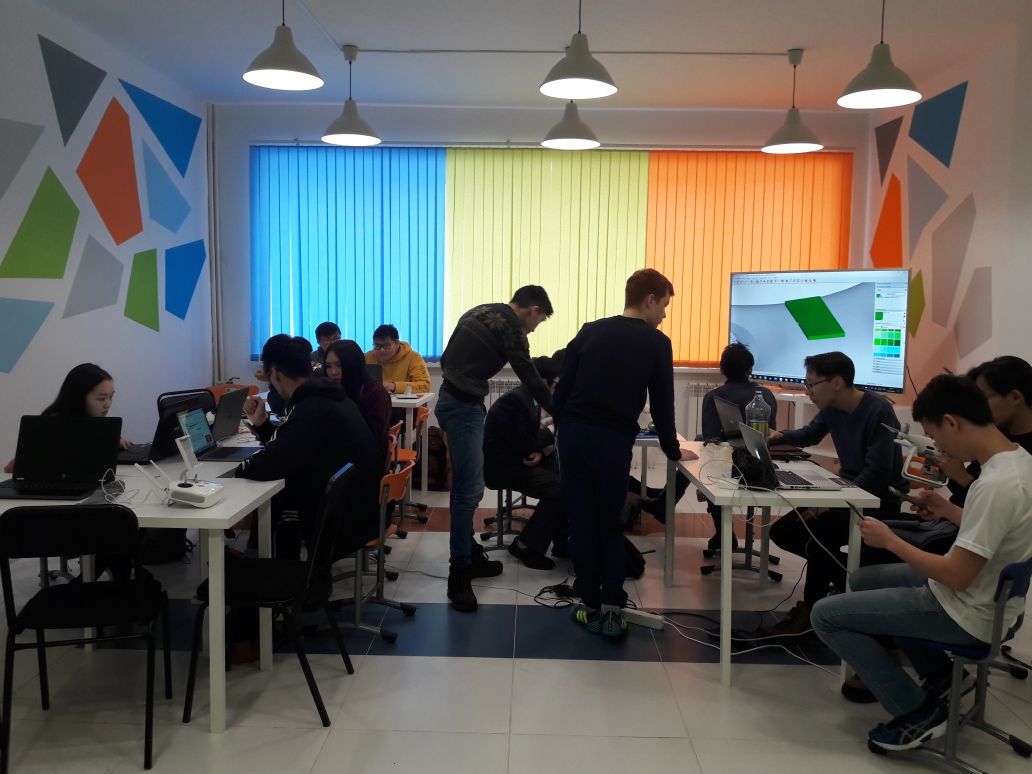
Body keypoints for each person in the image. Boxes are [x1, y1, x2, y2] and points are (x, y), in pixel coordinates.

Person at [811, 374, 1032, 752]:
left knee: (825, 615)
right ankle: (942, 676)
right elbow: (997, 530)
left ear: (951, 422)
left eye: (935, 436)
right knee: (865, 580)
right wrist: (948, 510)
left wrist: (891, 541)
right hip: (996, 602)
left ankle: (917, 712)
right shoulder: (1019, 461)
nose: (938, 448)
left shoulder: (995, 485)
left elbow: (956, 576)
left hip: (965, 611)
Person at [553, 269, 693, 638]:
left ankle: (589, 604)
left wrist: (562, 428)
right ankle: (613, 609)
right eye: (664, 305)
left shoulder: (590, 330)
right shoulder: (657, 343)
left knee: (581, 521)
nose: (664, 314)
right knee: (609, 522)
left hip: (573, 436)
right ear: (650, 299)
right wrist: (673, 450)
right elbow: (662, 404)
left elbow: (562, 390)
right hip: (612, 443)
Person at [760, 351, 906, 637]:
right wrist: (780, 436)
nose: (808, 391)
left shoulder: (879, 411)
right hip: (848, 492)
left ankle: (811, 612)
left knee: (819, 539)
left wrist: (836, 503)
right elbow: (810, 435)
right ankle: (847, 582)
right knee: (783, 532)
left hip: (878, 501)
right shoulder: (833, 407)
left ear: (837, 382)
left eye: (812, 384)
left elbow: (876, 474)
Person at [436, 285, 555, 611]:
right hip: (463, 409)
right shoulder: (512, 329)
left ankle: (471, 553)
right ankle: (459, 573)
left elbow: (446, 359)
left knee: (464, 488)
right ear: (533, 310)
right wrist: (560, 412)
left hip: (452, 400)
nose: (534, 329)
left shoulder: (480, 309)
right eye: (539, 322)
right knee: (468, 492)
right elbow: (531, 378)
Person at [237, 335, 383, 562]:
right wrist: (262, 424)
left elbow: (270, 463)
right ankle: (270, 565)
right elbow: (292, 447)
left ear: (274, 373)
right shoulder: (330, 396)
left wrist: (236, 469)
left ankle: (272, 568)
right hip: (361, 505)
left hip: (347, 515)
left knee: (280, 498)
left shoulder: (310, 406)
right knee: (283, 493)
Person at [483, 352, 565, 570]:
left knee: (567, 477)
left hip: (516, 459)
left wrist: (539, 452)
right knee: (559, 489)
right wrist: (551, 431)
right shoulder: (515, 401)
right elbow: (523, 444)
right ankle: (526, 546)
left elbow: (526, 440)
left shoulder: (527, 398)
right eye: (556, 383)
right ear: (545, 382)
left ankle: (561, 540)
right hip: (502, 468)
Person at [699, 342, 778, 551]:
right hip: (763, 468)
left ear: (722, 369)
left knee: (706, 457)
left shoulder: (713, 397)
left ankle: (724, 533)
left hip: (728, 469)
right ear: (750, 369)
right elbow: (771, 433)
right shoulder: (766, 396)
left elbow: (711, 439)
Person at [5, 363, 132, 473]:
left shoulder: (97, 423)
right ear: (79, 398)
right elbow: (11, 468)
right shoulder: (51, 426)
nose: (108, 404)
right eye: (102, 398)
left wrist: (113, 442)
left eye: (111, 397)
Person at [941, 356, 1032, 506]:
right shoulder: (1000, 435)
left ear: (1015, 397)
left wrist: (961, 476)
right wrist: (949, 469)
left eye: (983, 399)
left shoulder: (1004, 444)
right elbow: (967, 496)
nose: (978, 408)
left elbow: (1005, 508)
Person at [323, 339, 392, 463]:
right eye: (328, 366)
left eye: (339, 365)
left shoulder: (375, 392)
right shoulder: (330, 390)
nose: (333, 372)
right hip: (340, 457)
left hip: (365, 462)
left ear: (353, 364)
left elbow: (370, 439)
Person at [366, 324, 431, 395]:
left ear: (397, 343)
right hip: (375, 400)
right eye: (377, 346)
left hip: (405, 401)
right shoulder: (368, 357)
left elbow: (425, 386)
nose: (382, 350)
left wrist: (394, 386)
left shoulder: (413, 357)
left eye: (386, 346)